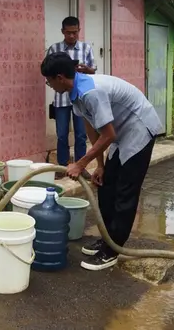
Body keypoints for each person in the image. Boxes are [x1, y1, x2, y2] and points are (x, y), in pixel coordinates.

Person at [41, 52, 162, 271]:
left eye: (48, 80)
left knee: (125, 191)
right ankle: (109, 238)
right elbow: (93, 128)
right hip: (119, 131)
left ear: (59, 77)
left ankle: (113, 250)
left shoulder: (90, 92)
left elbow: (108, 135)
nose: (48, 84)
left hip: (139, 128)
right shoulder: (75, 92)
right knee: (105, 184)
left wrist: (80, 164)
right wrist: (99, 165)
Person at [45, 16, 96, 179]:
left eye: (75, 33)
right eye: (68, 33)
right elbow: (47, 71)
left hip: (80, 97)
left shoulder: (86, 48)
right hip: (61, 100)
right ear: (62, 32)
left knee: (81, 134)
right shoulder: (55, 49)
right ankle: (62, 167)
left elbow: (93, 71)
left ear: (79, 31)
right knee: (62, 134)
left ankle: (81, 166)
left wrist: (86, 69)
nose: (72, 36)